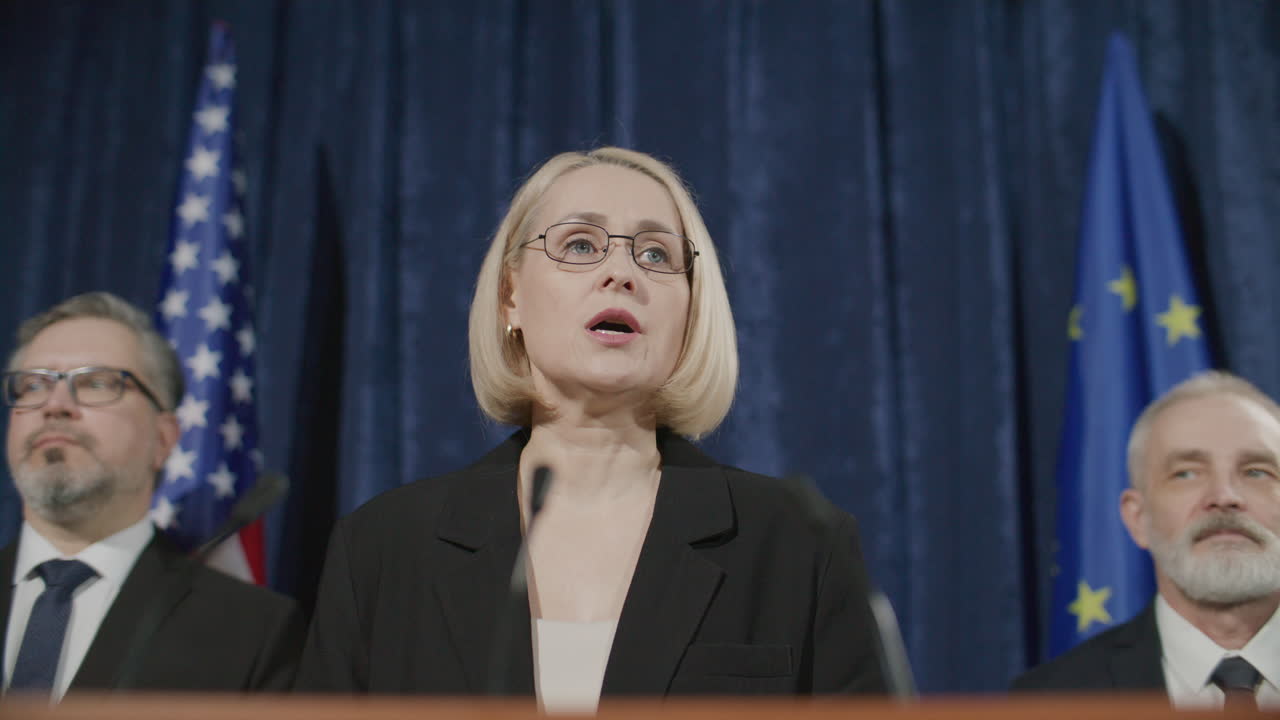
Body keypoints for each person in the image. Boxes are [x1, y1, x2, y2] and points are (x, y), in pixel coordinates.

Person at [296, 147, 888, 708]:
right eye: (580, 245)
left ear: (691, 309)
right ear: (510, 298)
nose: (622, 273)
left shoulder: (796, 543)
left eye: (656, 255)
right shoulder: (385, 548)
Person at [0, 292, 303, 699]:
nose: (55, 404)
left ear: (163, 439)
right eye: (33, 385)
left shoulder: (253, 631)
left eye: (96, 383)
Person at [1014, 371, 1280, 709]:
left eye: (1256, 471)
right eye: (1186, 473)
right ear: (1137, 518)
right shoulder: (1049, 702)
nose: (1224, 496)